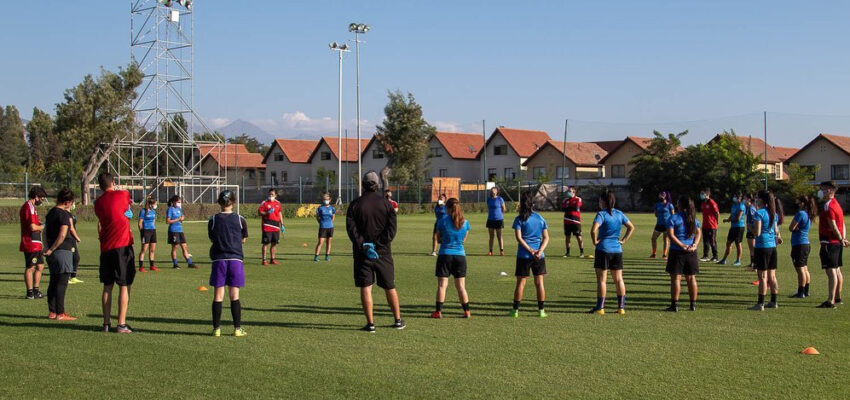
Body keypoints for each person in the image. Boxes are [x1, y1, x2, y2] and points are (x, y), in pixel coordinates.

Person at [346, 171, 404, 333]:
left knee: (366, 287)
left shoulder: (355, 204)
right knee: (389, 286)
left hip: (362, 253)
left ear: (363, 185)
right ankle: (398, 320)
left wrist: (364, 245)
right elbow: (391, 230)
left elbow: (352, 230)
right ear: (377, 185)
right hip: (383, 253)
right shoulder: (386, 204)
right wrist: (378, 244)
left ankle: (370, 323)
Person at [94, 173, 136, 333]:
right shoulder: (123, 194)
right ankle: (121, 323)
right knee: (124, 285)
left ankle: (106, 323)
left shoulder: (98, 203)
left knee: (107, 286)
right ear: (113, 182)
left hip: (106, 247)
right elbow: (127, 205)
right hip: (122, 246)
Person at [208, 190, 249, 337]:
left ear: (219, 202)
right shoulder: (240, 219)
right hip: (235, 260)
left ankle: (216, 329)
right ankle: (237, 329)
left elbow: (212, 238)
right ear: (233, 202)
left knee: (218, 295)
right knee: (234, 295)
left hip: (219, 259)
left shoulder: (213, 220)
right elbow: (243, 238)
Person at [589, 190, 635, 315]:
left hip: (603, 249)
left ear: (603, 201)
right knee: (619, 279)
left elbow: (593, 231)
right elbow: (631, 227)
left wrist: (595, 241)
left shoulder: (601, 214)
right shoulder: (619, 214)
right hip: (617, 250)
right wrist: (623, 240)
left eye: (600, 200)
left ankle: (600, 308)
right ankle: (621, 307)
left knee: (602, 280)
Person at [509, 191, 550, 318]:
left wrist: (530, 251)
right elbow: (546, 237)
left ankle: (515, 311)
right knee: (539, 283)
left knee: (521, 283)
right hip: (539, 256)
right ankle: (541, 311)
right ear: (533, 204)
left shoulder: (519, 219)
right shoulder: (540, 218)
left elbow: (519, 238)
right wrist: (540, 251)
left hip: (524, 256)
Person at [431, 198, 471, 319]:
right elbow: (464, 239)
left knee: (442, 285)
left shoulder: (442, 220)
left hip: (445, 254)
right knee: (461, 286)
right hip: (460, 256)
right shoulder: (465, 222)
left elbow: (438, 238)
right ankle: (467, 311)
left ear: (447, 208)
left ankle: (438, 312)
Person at [43, 188, 79, 321]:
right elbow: (63, 234)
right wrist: (52, 249)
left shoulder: (51, 212)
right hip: (62, 251)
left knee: (53, 281)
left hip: (52, 252)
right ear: (68, 202)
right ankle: (60, 313)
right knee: (62, 282)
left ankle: (52, 311)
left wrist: (47, 249)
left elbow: (45, 232)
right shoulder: (64, 215)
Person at [665, 195, 702, 312]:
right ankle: (693, 305)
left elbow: (671, 235)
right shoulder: (693, 219)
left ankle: (674, 305)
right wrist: (695, 244)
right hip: (691, 252)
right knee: (691, 278)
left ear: (680, 205)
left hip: (677, 251)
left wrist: (682, 245)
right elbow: (698, 233)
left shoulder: (673, 218)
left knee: (676, 279)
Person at [816, 181, 848, 309]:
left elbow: (833, 225)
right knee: (837, 270)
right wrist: (843, 238)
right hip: (836, 243)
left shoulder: (828, 205)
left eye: (823, 189)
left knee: (831, 272)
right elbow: (843, 224)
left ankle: (831, 300)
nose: (821, 192)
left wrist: (841, 239)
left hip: (829, 242)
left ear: (830, 190)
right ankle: (838, 297)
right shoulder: (837, 204)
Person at [749, 190, 783, 311]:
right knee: (772, 276)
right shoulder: (774, 213)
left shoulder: (759, 213)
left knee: (762, 276)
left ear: (762, 199)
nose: (756, 200)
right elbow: (776, 231)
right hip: (772, 247)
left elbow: (757, 233)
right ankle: (774, 301)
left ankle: (760, 303)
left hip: (762, 246)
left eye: (757, 198)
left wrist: (750, 226)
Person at [20, 186, 47, 299]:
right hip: (31, 242)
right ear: (36, 197)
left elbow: (34, 223)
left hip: (37, 242)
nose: (41, 201)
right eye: (41, 198)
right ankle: (30, 293)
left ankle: (36, 291)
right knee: (30, 267)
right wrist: (44, 226)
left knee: (40, 266)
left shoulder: (31, 207)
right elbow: (32, 227)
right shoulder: (29, 207)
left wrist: (40, 223)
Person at [789, 195, 817, 298]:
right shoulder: (808, 214)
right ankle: (806, 290)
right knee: (804, 268)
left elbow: (791, 227)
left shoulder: (801, 214)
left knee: (800, 269)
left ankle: (801, 291)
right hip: (805, 244)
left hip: (799, 244)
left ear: (803, 203)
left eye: (798, 202)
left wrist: (795, 229)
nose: (797, 203)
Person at [167, 195, 196, 269]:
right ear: (173, 202)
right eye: (178, 202)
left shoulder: (179, 209)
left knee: (184, 246)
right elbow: (168, 221)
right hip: (173, 230)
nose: (179, 203)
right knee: (175, 247)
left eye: (180, 202)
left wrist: (182, 218)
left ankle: (189, 263)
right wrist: (177, 219)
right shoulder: (170, 209)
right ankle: (175, 264)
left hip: (180, 230)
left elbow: (182, 216)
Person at [718, 192, 746, 266]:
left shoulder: (741, 206)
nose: (734, 198)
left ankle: (738, 260)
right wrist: (728, 219)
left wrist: (728, 220)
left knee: (738, 244)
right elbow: (732, 214)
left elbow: (738, 218)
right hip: (733, 227)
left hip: (739, 227)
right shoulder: (734, 205)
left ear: (740, 198)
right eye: (734, 196)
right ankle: (724, 259)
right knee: (728, 243)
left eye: (736, 196)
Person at [259, 189, 283, 265]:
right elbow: (259, 212)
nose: (270, 196)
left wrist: (282, 224)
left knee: (274, 243)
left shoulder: (278, 203)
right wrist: (266, 213)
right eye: (269, 194)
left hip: (276, 225)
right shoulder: (264, 203)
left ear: (275, 195)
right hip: (267, 225)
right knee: (266, 243)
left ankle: (272, 259)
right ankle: (264, 260)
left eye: (272, 194)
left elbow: (279, 213)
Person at [561, 186, 587, 258]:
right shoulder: (565, 200)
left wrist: (568, 208)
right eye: (568, 191)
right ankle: (567, 253)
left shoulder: (578, 199)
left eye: (570, 191)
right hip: (567, 221)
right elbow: (563, 209)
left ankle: (581, 252)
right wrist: (570, 208)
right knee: (567, 237)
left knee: (579, 237)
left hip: (576, 221)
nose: (568, 193)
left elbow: (576, 208)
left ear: (574, 192)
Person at [650, 191, 674, 259]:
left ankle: (664, 254)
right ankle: (654, 253)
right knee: (653, 238)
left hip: (667, 225)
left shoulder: (669, 205)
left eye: (662, 195)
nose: (660, 197)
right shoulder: (657, 204)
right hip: (659, 224)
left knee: (665, 239)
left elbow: (673, 215)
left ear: (665, 196)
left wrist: (670, 222)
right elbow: (656, 214)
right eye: (660, 195)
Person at [137, 196, 159, 272]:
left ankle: (152, 266)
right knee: (144, 249)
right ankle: (141, 267)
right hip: (145, 231)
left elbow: (153, 221)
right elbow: (140, 223)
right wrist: (142, 232)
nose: (155, 205)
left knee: (152, 249)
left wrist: (154, 227)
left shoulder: (153, 211)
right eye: (155, 204)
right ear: (150, 204)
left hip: (153, 231)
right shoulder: (143, 211)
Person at [314, 193, 336, 262]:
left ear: (330, 200)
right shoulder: (320, 208)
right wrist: (321, 223)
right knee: (320, 242)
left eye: (327, 199)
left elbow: (333, 217)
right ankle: (316, 256)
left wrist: (330, 223)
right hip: (323, 227)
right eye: (324, 199)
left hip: (330, 227)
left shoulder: (332, 208)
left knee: (329, 242)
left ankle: (327, 256)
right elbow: (317, 217)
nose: (325, 201)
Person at [699, 188, 719, 262]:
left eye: (702, 194)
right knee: (705, 241)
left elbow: (717, 213)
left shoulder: (712, 202)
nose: (701, 195)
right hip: (705, 225)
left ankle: (715, 256)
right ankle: (705, 256)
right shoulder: (703, 203)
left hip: (712, 226)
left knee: (712, 241)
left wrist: (716, 222)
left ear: (707, 195)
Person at [486, 187, 507, 256]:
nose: (493, 191)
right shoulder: (488, 199)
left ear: (497, 191)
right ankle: (490, 251)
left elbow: (504, 209)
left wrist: (501, 216)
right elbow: (489, 208)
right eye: (492, 190)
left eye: (494, 190)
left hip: (499, 220)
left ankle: (501, 250)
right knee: (491, 236)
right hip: (490, 219)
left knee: (499, 236)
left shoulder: (500, 199)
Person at [67, 202, 84, 285]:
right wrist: (77, 238)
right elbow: (71, 228)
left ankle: (73, 277)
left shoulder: (70, 214)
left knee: (75, 257)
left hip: (72, 239)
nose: (73, 204)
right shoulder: (66, 214)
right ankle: (68, 277)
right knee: (73, 257)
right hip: (69, 239)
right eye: (72, 203)